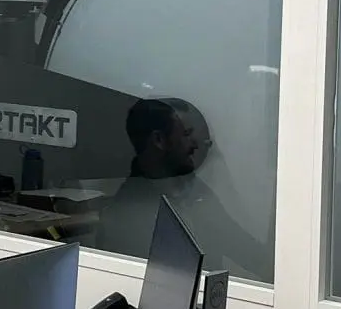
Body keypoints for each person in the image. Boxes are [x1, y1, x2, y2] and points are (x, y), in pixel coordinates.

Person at [96, 98, 268, 280]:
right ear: (159, 140)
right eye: (186, 134)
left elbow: (240, 245)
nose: (195, 144)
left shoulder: (194, 191)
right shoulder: (128, 214)